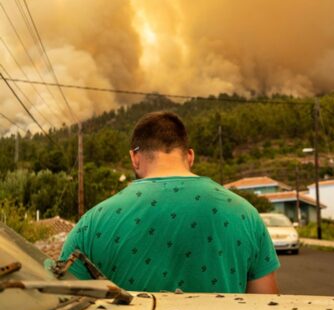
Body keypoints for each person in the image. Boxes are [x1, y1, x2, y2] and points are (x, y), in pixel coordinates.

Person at [60, 111, 279, 294]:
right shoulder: (245, 214)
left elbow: (60, 300)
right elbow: (268, 308)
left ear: (134, 157)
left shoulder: (92, 223)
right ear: (190, 156)